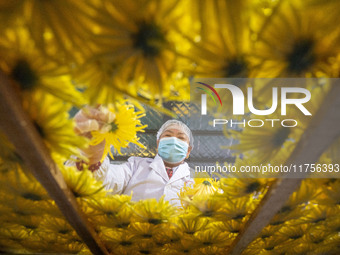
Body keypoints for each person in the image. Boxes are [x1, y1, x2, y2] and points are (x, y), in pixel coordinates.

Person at [73, 107, 194, 206]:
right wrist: (92, 156)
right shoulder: (136, 166)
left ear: (188, 151)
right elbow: (108, 182)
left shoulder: (198, 179)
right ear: (158, 144)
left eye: (181, 138)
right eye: (167, 135)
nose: (173, 140)